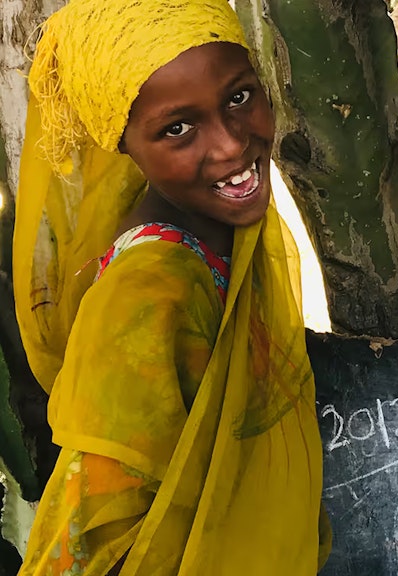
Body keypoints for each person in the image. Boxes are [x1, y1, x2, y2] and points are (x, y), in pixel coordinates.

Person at [12, 0, 330, 573]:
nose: (230, 145)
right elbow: (85, 538)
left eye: (239, 97)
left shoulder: (218, 234)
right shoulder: (147, 294)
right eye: (177, 128)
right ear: (121, 143)